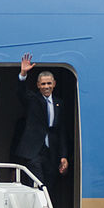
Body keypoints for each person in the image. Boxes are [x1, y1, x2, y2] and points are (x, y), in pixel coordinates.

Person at [13, 52, 69, 187]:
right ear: (38, 85)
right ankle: (41, 206)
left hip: (52, 151)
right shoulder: (33, 100)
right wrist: (23, 74)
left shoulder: (59, 103)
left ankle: (46, 206)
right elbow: (21, 92)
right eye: (43, 84)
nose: (46, 87)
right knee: (38, 182)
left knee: (50, 182)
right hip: (34, 150)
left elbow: (61, 131)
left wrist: (63, 155)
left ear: (54, 84)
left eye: (49, 83)